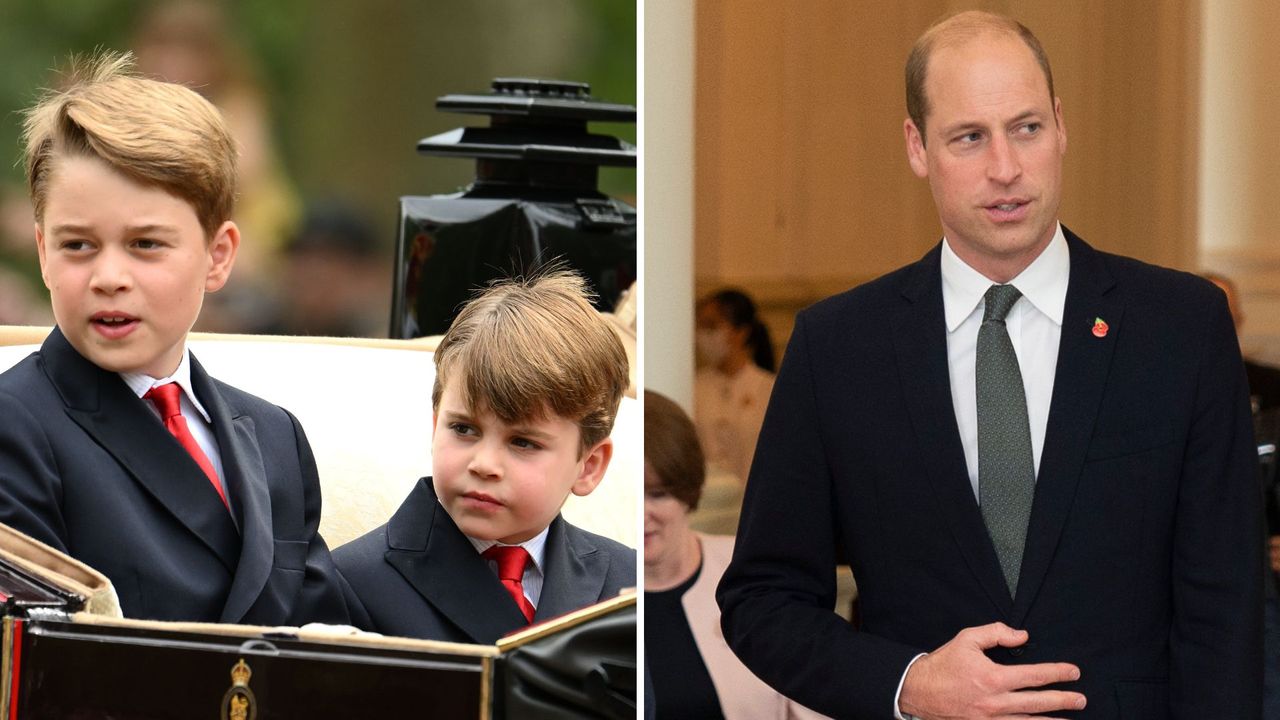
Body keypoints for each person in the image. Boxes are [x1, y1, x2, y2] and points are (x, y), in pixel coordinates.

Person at [717, 11, 1262, 719]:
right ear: (917, 146)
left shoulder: (1181, 327)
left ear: (1061, 126)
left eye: (1027, 128)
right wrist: (908, 683)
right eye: (969, 138)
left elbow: (1227, 605)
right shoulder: (837, 348)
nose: (1005, 168)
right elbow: (762, 599)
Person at [0, 52, 353, 625]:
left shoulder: (274, 436)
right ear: (42, 252)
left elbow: (325, 643)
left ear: (218, 257)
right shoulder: (16, 426)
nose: (109, 276)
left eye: (145, 244)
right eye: (77, 245)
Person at [334, 270, 636, 643]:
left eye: (523, 442)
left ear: (589, 466)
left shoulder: (629, 583)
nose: (484, 464)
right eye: (463, 429)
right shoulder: (351, 582)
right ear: (434, 427)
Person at [645, 389, 825, 719]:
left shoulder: (753, 572)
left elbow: (815, 698)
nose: (642, 515)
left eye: (657, 495)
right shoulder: (595, 587)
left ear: (689, 490)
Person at [694, 289, 776, 483]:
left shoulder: (768, 388)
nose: (703, 335)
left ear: (741, 332)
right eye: (701, 326)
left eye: (712, 326)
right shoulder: (696, 386)